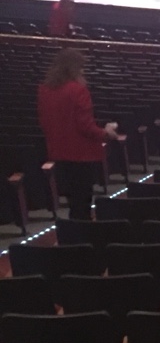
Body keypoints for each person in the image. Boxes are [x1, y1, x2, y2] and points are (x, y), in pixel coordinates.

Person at [37, 47, 117, 221]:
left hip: (58, 152)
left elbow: (44, 121)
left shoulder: (44, 90)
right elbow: (85, 127)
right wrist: (106, 133)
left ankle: (73, 238)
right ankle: (80, 240)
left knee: (74, 200)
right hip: (81, 155)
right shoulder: (78, 90)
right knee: (82, 203)